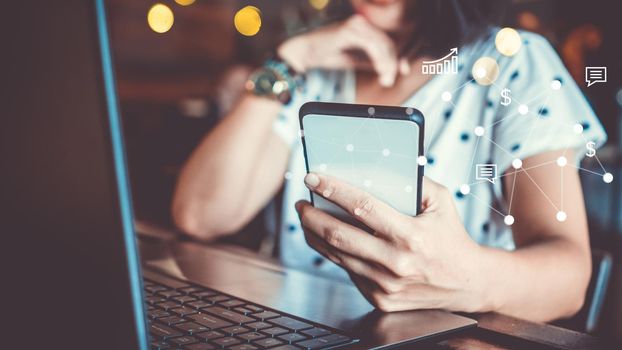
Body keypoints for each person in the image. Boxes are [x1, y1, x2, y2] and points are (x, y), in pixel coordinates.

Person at [172, 0, 607, 322]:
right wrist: (288, 61)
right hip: (301, 328)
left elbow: (569, 281)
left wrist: (464, 278)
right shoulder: (320, 66)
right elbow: (201, 215)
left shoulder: (513, 62)